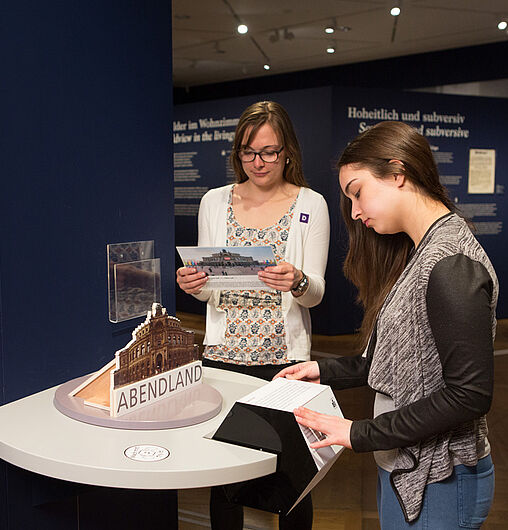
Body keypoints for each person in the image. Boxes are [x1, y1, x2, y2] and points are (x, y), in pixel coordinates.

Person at [276, 121, 498, 529]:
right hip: (408, 468)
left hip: (439, 477)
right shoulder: (420, 251)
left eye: (358, 192)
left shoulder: (449, 262)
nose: (356, 212)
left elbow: (469, 395)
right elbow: (390, 360)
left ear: (397, 173)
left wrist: (359, 432)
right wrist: (323, 371)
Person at [176, 101, 329, 530]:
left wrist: (297, 280)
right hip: (223, 356)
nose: (258, 163)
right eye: (248, 152)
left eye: (269, 152)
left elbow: (315, 294)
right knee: (225, 474)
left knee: (292, 474)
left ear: (288, 153)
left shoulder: (311, 204)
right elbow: (210, 285)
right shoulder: (214, 201)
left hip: (285, 361)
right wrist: (194, 286)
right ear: (237, 152)